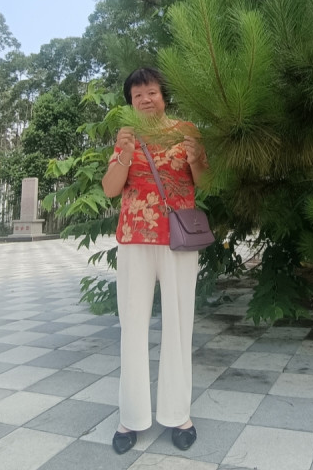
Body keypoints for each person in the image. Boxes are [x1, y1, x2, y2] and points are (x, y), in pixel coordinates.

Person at [102, 67, 208, 455]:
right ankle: (130, 418)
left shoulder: (187, 131)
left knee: (179, 325)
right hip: (135, 239)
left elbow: (206, 183)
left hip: (179, 240)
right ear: (130, 102)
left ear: (164, 95)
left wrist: (197, 159)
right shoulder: (127, 135)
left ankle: (178, 414)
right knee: (132, 326)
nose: (145, 99)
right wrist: (124, 155)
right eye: (137, 95)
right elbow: (111, 189)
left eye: (151, 92)